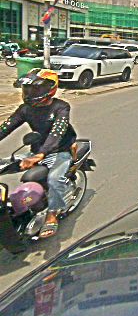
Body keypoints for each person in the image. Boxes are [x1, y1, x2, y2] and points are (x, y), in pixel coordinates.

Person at [0, 69, 77, 238]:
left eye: (35, 89)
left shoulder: (61, 107)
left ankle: (52, 214)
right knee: (3, 165)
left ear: (50, 89)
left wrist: (40, 154)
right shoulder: (25, 109)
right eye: (27, 89)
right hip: (36, 150)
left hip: (60, 150)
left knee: (54, 180)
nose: (30, 93)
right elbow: (6, 126)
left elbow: (57, 132)